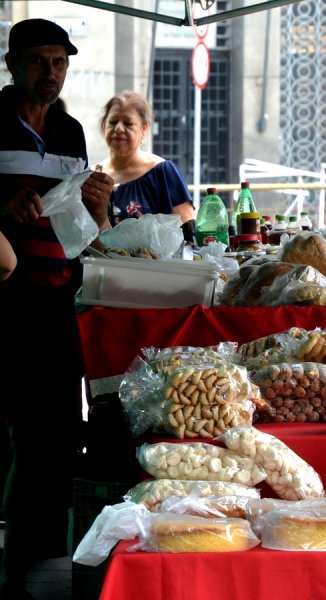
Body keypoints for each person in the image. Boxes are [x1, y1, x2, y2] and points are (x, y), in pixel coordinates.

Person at [0, 18, 115, 598]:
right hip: (5, 303)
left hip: (58, 299)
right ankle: (13, 570)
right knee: (17, 436)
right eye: (41, 60)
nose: (52, 71)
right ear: (13, 63)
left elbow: (82, 229)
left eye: (61, 61)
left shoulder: (70, 132)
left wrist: (99, 209)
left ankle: (39, 557)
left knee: (59, 434)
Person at [98, 91, 194, 225]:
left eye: (128, 123)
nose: (119, 128)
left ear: (143, 129)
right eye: (113, 122)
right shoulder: (94, 177)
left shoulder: (163, 173)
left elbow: (188, 230)